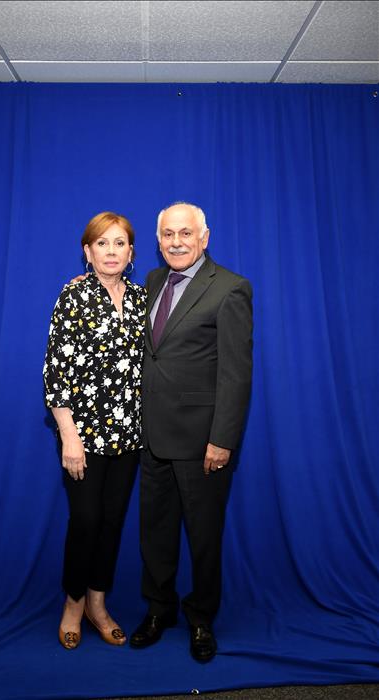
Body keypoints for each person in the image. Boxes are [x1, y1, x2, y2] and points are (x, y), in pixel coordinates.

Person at [129, 202, 253, 662]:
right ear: (158, 240)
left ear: (204, 237)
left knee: (203, 537)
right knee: (155, 534)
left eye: (185, 233)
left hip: (202, 443)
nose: (176, 242)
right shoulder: (152, 281)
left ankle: (201, 618)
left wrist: (222, 440)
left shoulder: (231, 288)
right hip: (152, 437)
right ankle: (158, 610)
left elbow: (236, 375)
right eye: (168, 234)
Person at [43, 211, 147, 650]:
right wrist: (69, 435)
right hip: (82, 435)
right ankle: (73, 604)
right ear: (87, 252)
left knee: (112, 521)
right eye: (101, 243)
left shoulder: (143, 299)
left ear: (131, 251)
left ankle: (98, 604)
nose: (111, 251)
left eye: (119, 243)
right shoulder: (73, 296)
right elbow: (56, 372)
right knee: (85, 521)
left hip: (130, 434)